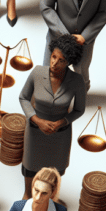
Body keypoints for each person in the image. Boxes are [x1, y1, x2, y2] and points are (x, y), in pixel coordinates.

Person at [17, 35, 86, 198]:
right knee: (30, 168)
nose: (54, 63)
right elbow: (23, 98)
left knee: (54, 172)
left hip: (59, 135)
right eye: (53, 57)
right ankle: (27, 196)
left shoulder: (77, 81)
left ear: (69, 62)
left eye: (61, 60)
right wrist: (36, 120)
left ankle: (50, 200)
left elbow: (79, 110)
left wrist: (62, 122)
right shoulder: (37, 72)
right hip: (35, 131)